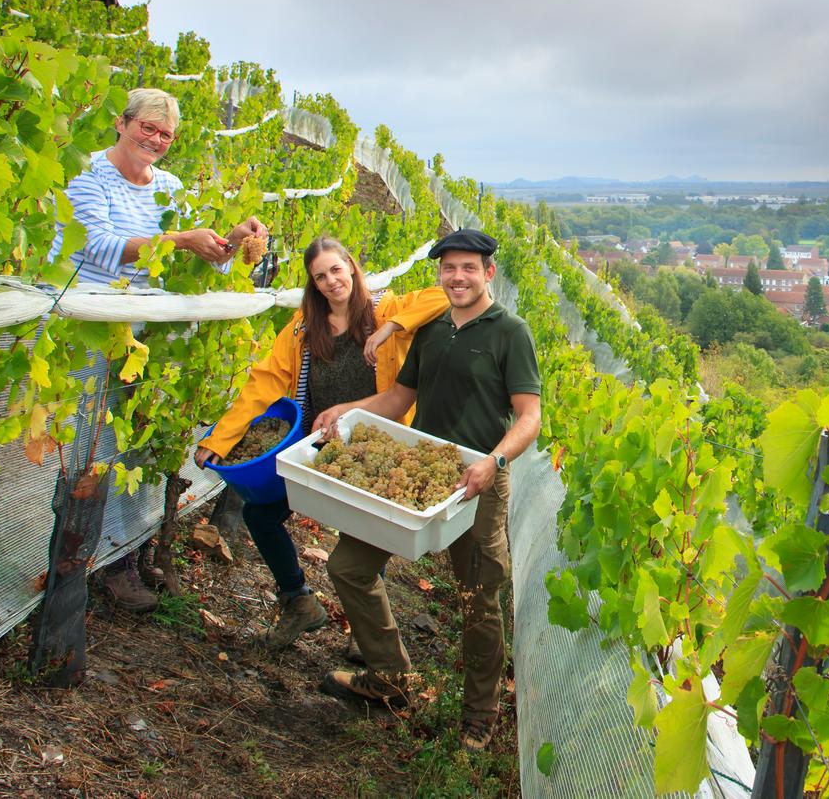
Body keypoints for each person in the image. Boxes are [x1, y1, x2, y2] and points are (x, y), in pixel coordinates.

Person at [311, 228, 541, 753]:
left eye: (468, 268)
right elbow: (397, 399)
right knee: (347, 567)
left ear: (488, 273)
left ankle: (478, 715)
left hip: (477, 481)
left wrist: (494, 460)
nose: (457, 277)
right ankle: (392, 678)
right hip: (420, 469)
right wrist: (347, 411)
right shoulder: (433, 328)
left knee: (478, 600)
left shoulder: (511, 332)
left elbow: (530, 416)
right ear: (440, 274)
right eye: (448, 268)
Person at [53, 86, 268, 612]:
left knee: (139, 445)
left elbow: (194, 259)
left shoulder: (168, 185)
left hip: (149, 342)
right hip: (93, 332)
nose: (155, 139)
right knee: (95, 449)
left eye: (165, 133)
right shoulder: (90, 176)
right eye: (147, 127)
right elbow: (96, 246)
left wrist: (229, 242)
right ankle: (88, 565)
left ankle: (129, 549)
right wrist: (180, 240)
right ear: (122, 123)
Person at [194, 236, 448, 648]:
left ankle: (365, 630)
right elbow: (265, 382)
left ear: (350, 266)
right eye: (320, 276)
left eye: (336, 269)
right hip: (317, 441)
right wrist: (222, 439)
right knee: (261, 516)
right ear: (313, 284)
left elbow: (443, 296)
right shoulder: (302, 328)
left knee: (363, 535)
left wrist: (391, 327)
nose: (331, 281)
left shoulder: (386, 308)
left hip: (372, 445)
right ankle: (298, 603)